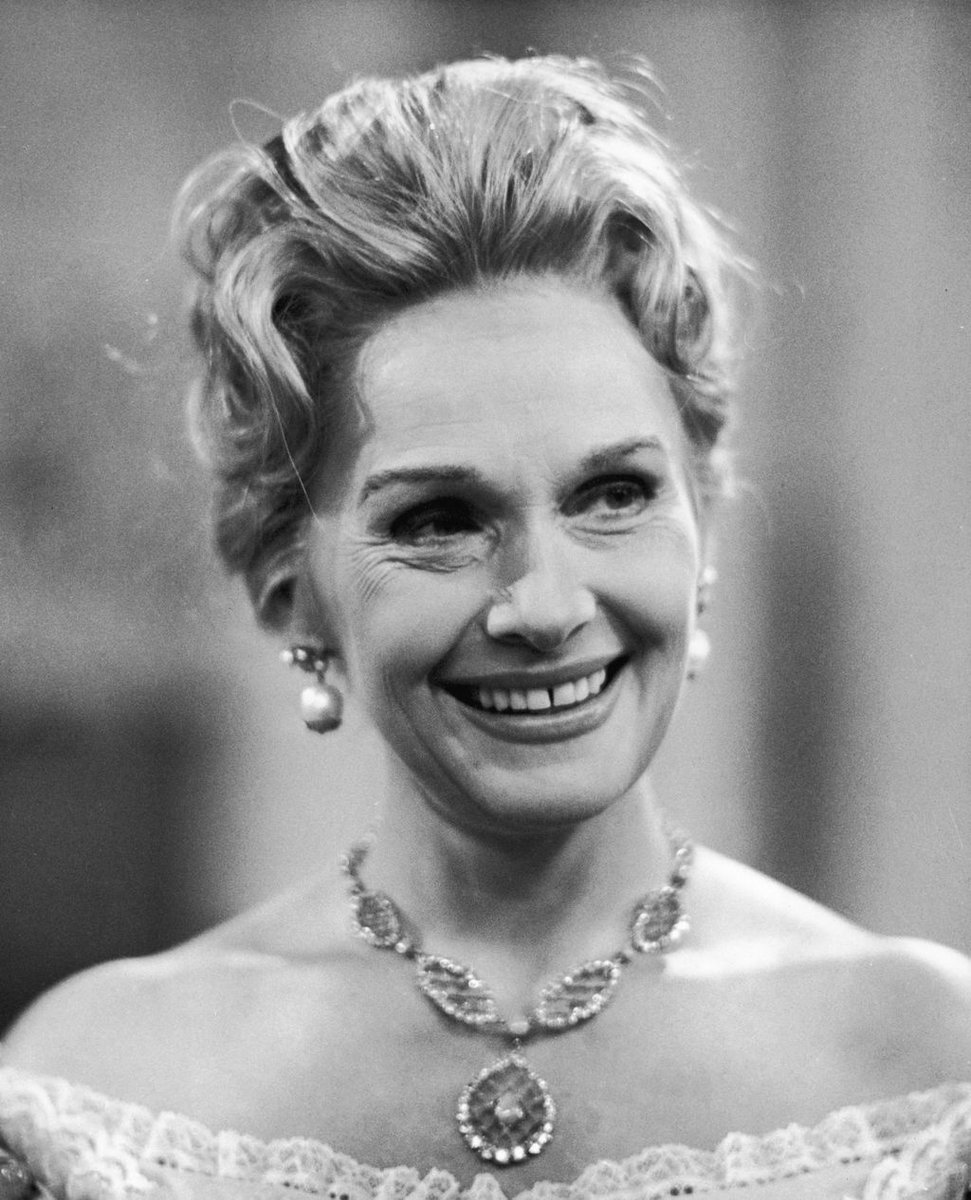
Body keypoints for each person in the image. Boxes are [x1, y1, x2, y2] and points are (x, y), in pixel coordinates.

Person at [1, 54, 970, 1200]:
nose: (546, 606)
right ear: (286, 585)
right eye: (438, 521)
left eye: (612, 495)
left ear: (701, 525)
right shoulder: (99, 1087)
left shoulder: (928, 1064)